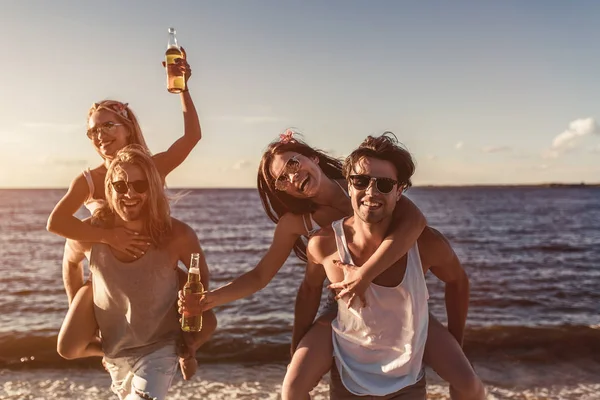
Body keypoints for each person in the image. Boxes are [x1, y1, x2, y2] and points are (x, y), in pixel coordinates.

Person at [180, 130, 484, 398]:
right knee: (294, 384)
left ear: (312, 157)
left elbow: (415, 223)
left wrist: (364, 274)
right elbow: (261, 276)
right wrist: (209, 300)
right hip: (340, 299)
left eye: (293, 164)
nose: (292, 177)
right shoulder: (298, 223)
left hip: (400, 298)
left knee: (467, 382)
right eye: (281, 180)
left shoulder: (365, 183)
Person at [294, 134, 486, 399]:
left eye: (383, 184)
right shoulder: (324, 243)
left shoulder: (426, 243)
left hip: (408, 344)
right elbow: (309, 290)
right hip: (349, 347)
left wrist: (457, 343)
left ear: (399, 190)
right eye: (360, 181)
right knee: (291, 389)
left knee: (471, 387)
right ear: (349, 186)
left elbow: (458, 281)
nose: (371, 192)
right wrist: (298, 348)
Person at [49, 50, 204, 377]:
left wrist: (183, 89)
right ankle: (110, 353)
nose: (100, 135)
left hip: (153, 274)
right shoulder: (89, 180)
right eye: (93, 131)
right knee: (68, 345)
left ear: (128, 127)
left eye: (108, 125)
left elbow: (191, 137)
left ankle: (182, 352)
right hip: (110, 278)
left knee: (201, 318)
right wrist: (108, 237)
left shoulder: (152, 167)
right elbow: (57, 223)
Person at [59, 145, 216, 400]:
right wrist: (82, 309)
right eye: (121, 186)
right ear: (109, 189)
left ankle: (185, 352)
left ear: (152, 189)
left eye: (140, 185)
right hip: (115, 350)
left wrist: (190, 338)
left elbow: (202, 279)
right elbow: (70, 263)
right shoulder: (90, 234)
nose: (129, 193)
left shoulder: (177, 234)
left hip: (160, 346)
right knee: (67, 347)